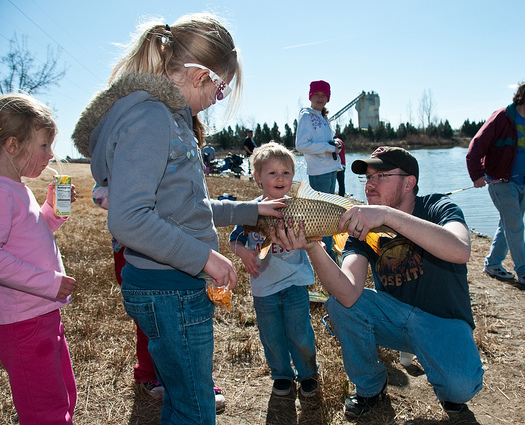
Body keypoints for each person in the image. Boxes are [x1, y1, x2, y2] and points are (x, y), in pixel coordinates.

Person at [72, 14, 284, 424]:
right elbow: (129, 219)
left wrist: (250, 209)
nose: (216, 101)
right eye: (220, 90)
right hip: (170, 289)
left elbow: (186, 209)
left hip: (171, 285)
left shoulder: (171, 118)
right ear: (200, 75)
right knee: (195, 407)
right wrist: (206, 259)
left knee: (186, 394)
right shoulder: (151, 118)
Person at [270, 146, 484, 418]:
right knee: (339, 306)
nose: (370, 184)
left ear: (409, 183)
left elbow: (460, 250)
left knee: (461, 389)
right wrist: (312, 247)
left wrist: (388, 215)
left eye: (381, 175)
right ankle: (371, 387)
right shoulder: (362, 229)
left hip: (443, 323)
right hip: (394, 320)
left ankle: (446, 380)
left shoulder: (436, 206)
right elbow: (348, 294)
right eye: (367, 177)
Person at [92, 185, 226, 410]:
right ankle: (148, 373)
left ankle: (198, 382)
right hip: (137, 255)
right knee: (150, 321)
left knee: (190, 324)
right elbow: (101, 196)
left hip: (181, 247)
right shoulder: (126, 157)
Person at [0, 93, 78, 424]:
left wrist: (52, 210)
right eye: (44, 146)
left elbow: (28, 238)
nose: (51, 156)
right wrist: (49, 283)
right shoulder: (2, 193)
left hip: (41, 314)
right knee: (44, 408)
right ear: (13, 145)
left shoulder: (16, 188)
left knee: (63, 394)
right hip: (23, 322)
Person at [229, 142, 318, 398]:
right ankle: (281, 375)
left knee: (300, 332)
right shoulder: (250, 210)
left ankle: (308, 374)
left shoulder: (300, 206)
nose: (280, 178)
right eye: (272, 173)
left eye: (286, 173)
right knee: (272, 336)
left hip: (295, 282)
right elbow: (235, 240)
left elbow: (316, 234)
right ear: (258, 177)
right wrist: (244, 252)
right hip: (263, 287)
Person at [466, 81, 525, 288]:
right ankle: (524, 272)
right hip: (501, 182)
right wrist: (477, 175)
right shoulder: (502, 117)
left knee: (508, 225)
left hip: (522, 184)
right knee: (515, 227)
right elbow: (476, 146)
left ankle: (493, 263)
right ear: (523, 96)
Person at [295, 80, 342, 255]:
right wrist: (329, 147)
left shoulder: (323, 117)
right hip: (318, 173)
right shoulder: (307, 116)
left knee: (329, 215)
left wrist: (335, 143)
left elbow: (322, 141)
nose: (320, 98)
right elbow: (301, 145)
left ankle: (327, 252)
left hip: (330, 170)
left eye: (324, 95)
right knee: (320, 217)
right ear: (311, 96)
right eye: (317, 94)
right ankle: (322, 253)